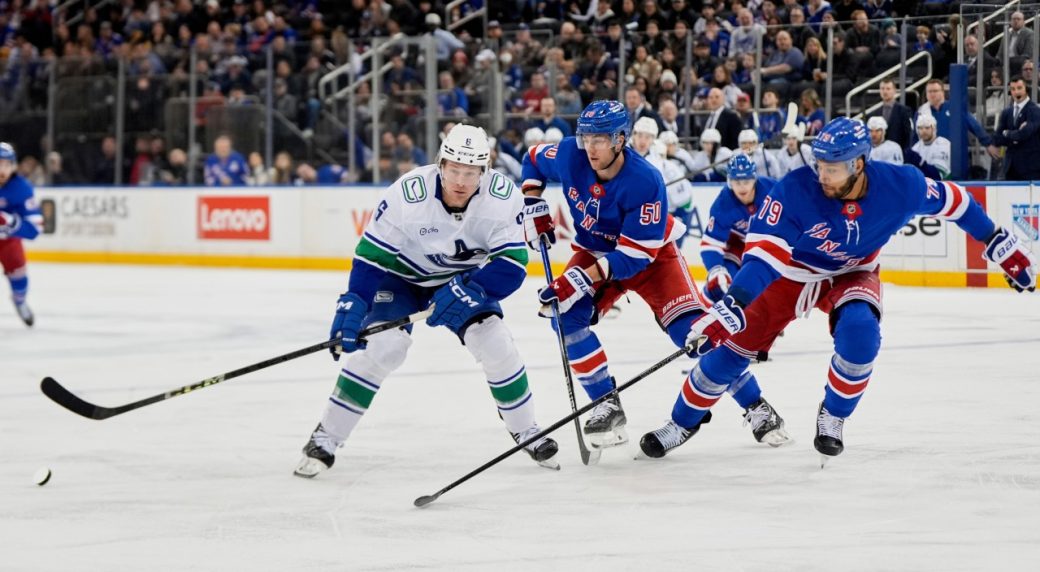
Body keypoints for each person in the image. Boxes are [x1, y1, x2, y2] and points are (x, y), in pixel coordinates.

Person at [639, 117, 1037, 461]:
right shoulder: (794, 190)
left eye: (832, 168)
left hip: (853, 271)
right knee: (729, 354)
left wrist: (996, 242)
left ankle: (833, 414)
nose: (822, 176)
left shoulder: (902, 185)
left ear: (859, 163)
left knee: (861, 335)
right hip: (791, 273)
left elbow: (957, 202)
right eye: (819, 165)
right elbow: (761, 259)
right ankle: (681, 423)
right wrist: (734, 304)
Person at [520, 100, 788, 453]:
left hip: (651, 258)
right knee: (564, 316)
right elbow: (532, 159)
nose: (590, 147)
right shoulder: (571, 153)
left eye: (600, 139)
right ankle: (606, 404)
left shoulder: (645, 180)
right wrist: (532, 202)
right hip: (596, 251)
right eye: (586, 137)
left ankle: (755, 405)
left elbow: (634, 257)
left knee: (695, 334)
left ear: (620, 139)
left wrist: (581, 278)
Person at [294, 124, 559, 478]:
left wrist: (469, 290)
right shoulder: (408, 194)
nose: (460, 181)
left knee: (495, 342)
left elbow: (512, 266)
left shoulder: (502, 197)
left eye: (470, 172)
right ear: (440, 164)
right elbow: (371, 257)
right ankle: (326, 437)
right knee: (384, 347)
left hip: (463, 280)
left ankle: (527, 431)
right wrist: (355, 301)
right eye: (454, 170)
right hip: (401, 279)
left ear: (484, 171)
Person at [699, 153, 779, 308]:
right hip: (737, 246)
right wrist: (716, 269)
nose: (742, 187)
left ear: (754, 179)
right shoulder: (722, 204)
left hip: (768, 246)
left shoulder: (773, 190)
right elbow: (710, 244)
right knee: (722, 283)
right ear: (729, 181)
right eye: (737, 181)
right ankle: (703, 310)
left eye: (746, 181)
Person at [0, 142, 42, 327]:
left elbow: (34, 229)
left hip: (8, 240)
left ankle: (19, 301)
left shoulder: (22, 188)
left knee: (18, 274)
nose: (2, 170)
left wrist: (10, 223)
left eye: (6, 164)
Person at [868, 78, 914, 150]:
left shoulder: (904, 111)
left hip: (899, 152)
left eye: (888, 89)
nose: (885, 91)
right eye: (882, 89)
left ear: (894, 91)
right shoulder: (874, 113)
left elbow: (908, 135)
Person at [911, 114, 951, 179]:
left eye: (927, 127)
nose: (924, 131)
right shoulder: (915, 148)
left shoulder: (944, 145)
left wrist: (921, 163)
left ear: (933, 128)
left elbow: (939, 174)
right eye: (920, 128)